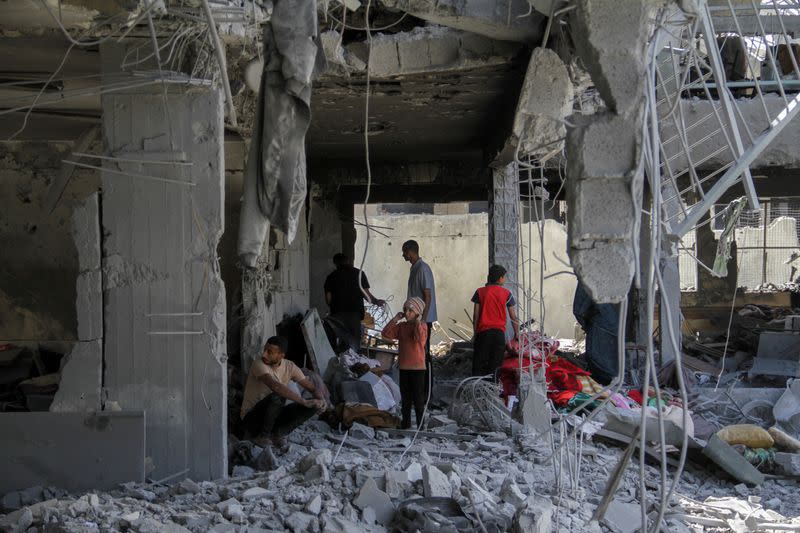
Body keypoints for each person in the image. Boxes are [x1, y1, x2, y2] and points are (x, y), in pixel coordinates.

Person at [241, 336, 327, 447]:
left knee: (314, 405)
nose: (264, 354)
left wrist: (321, 400)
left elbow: (312, 388)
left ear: (281, 355)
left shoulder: (290, 366)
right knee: (279, 395)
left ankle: (277, 434)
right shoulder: (258, 364)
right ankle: (262, 436)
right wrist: (302, 401)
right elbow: (275, 387)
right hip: (251, 419)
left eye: (269, 352)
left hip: (272, 417)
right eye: (265, 350)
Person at [382, 297, 427, 429]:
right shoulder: (401, 326)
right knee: (406, 399)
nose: (407, 313)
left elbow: (420, 339)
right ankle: (406, 424)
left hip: (418, 369)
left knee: (418, 399)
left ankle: (420, 426)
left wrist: (418, 322)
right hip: (404, 367)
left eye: (410, 311)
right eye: (405, 310)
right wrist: (395, 319)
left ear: (417, 313)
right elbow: (386, 333)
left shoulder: (422, 326)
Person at [324, 253, 385, 346]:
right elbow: (366, 295)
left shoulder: (331, 277)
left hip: (337, 315)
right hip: (354, 314)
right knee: (353, 344)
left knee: (338, 343)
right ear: (348, 261)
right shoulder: (359, 274)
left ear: (335, 263)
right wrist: (376, 301)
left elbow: (328, 300)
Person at [471, 264, 519, 378]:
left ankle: (476, 391)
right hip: (498, 335)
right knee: (495, 367)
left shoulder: (479, 292)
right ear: (500, 278)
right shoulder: (507, 294)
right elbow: (513, 317)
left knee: (479, 365)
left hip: (483, 334)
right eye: (504, 277)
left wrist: (475, 333)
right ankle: (492, 391)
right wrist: (517, 333)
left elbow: (475, 316)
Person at [402, 240, 437, 393]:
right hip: (416, 320)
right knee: (417, 354)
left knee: (424, 355)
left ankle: (426, 391)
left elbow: (427, 296)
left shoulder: (423, 269)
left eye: (404, 252)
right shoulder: (414, 268)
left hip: (422, 321)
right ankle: (418, 390)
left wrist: (423, 319)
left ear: (410, 251)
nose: (403, 255)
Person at [572, 282, 620, 385]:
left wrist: (587, 325)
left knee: (598, 367)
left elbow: (578, 310)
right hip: (613, 323)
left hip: (599, 323)